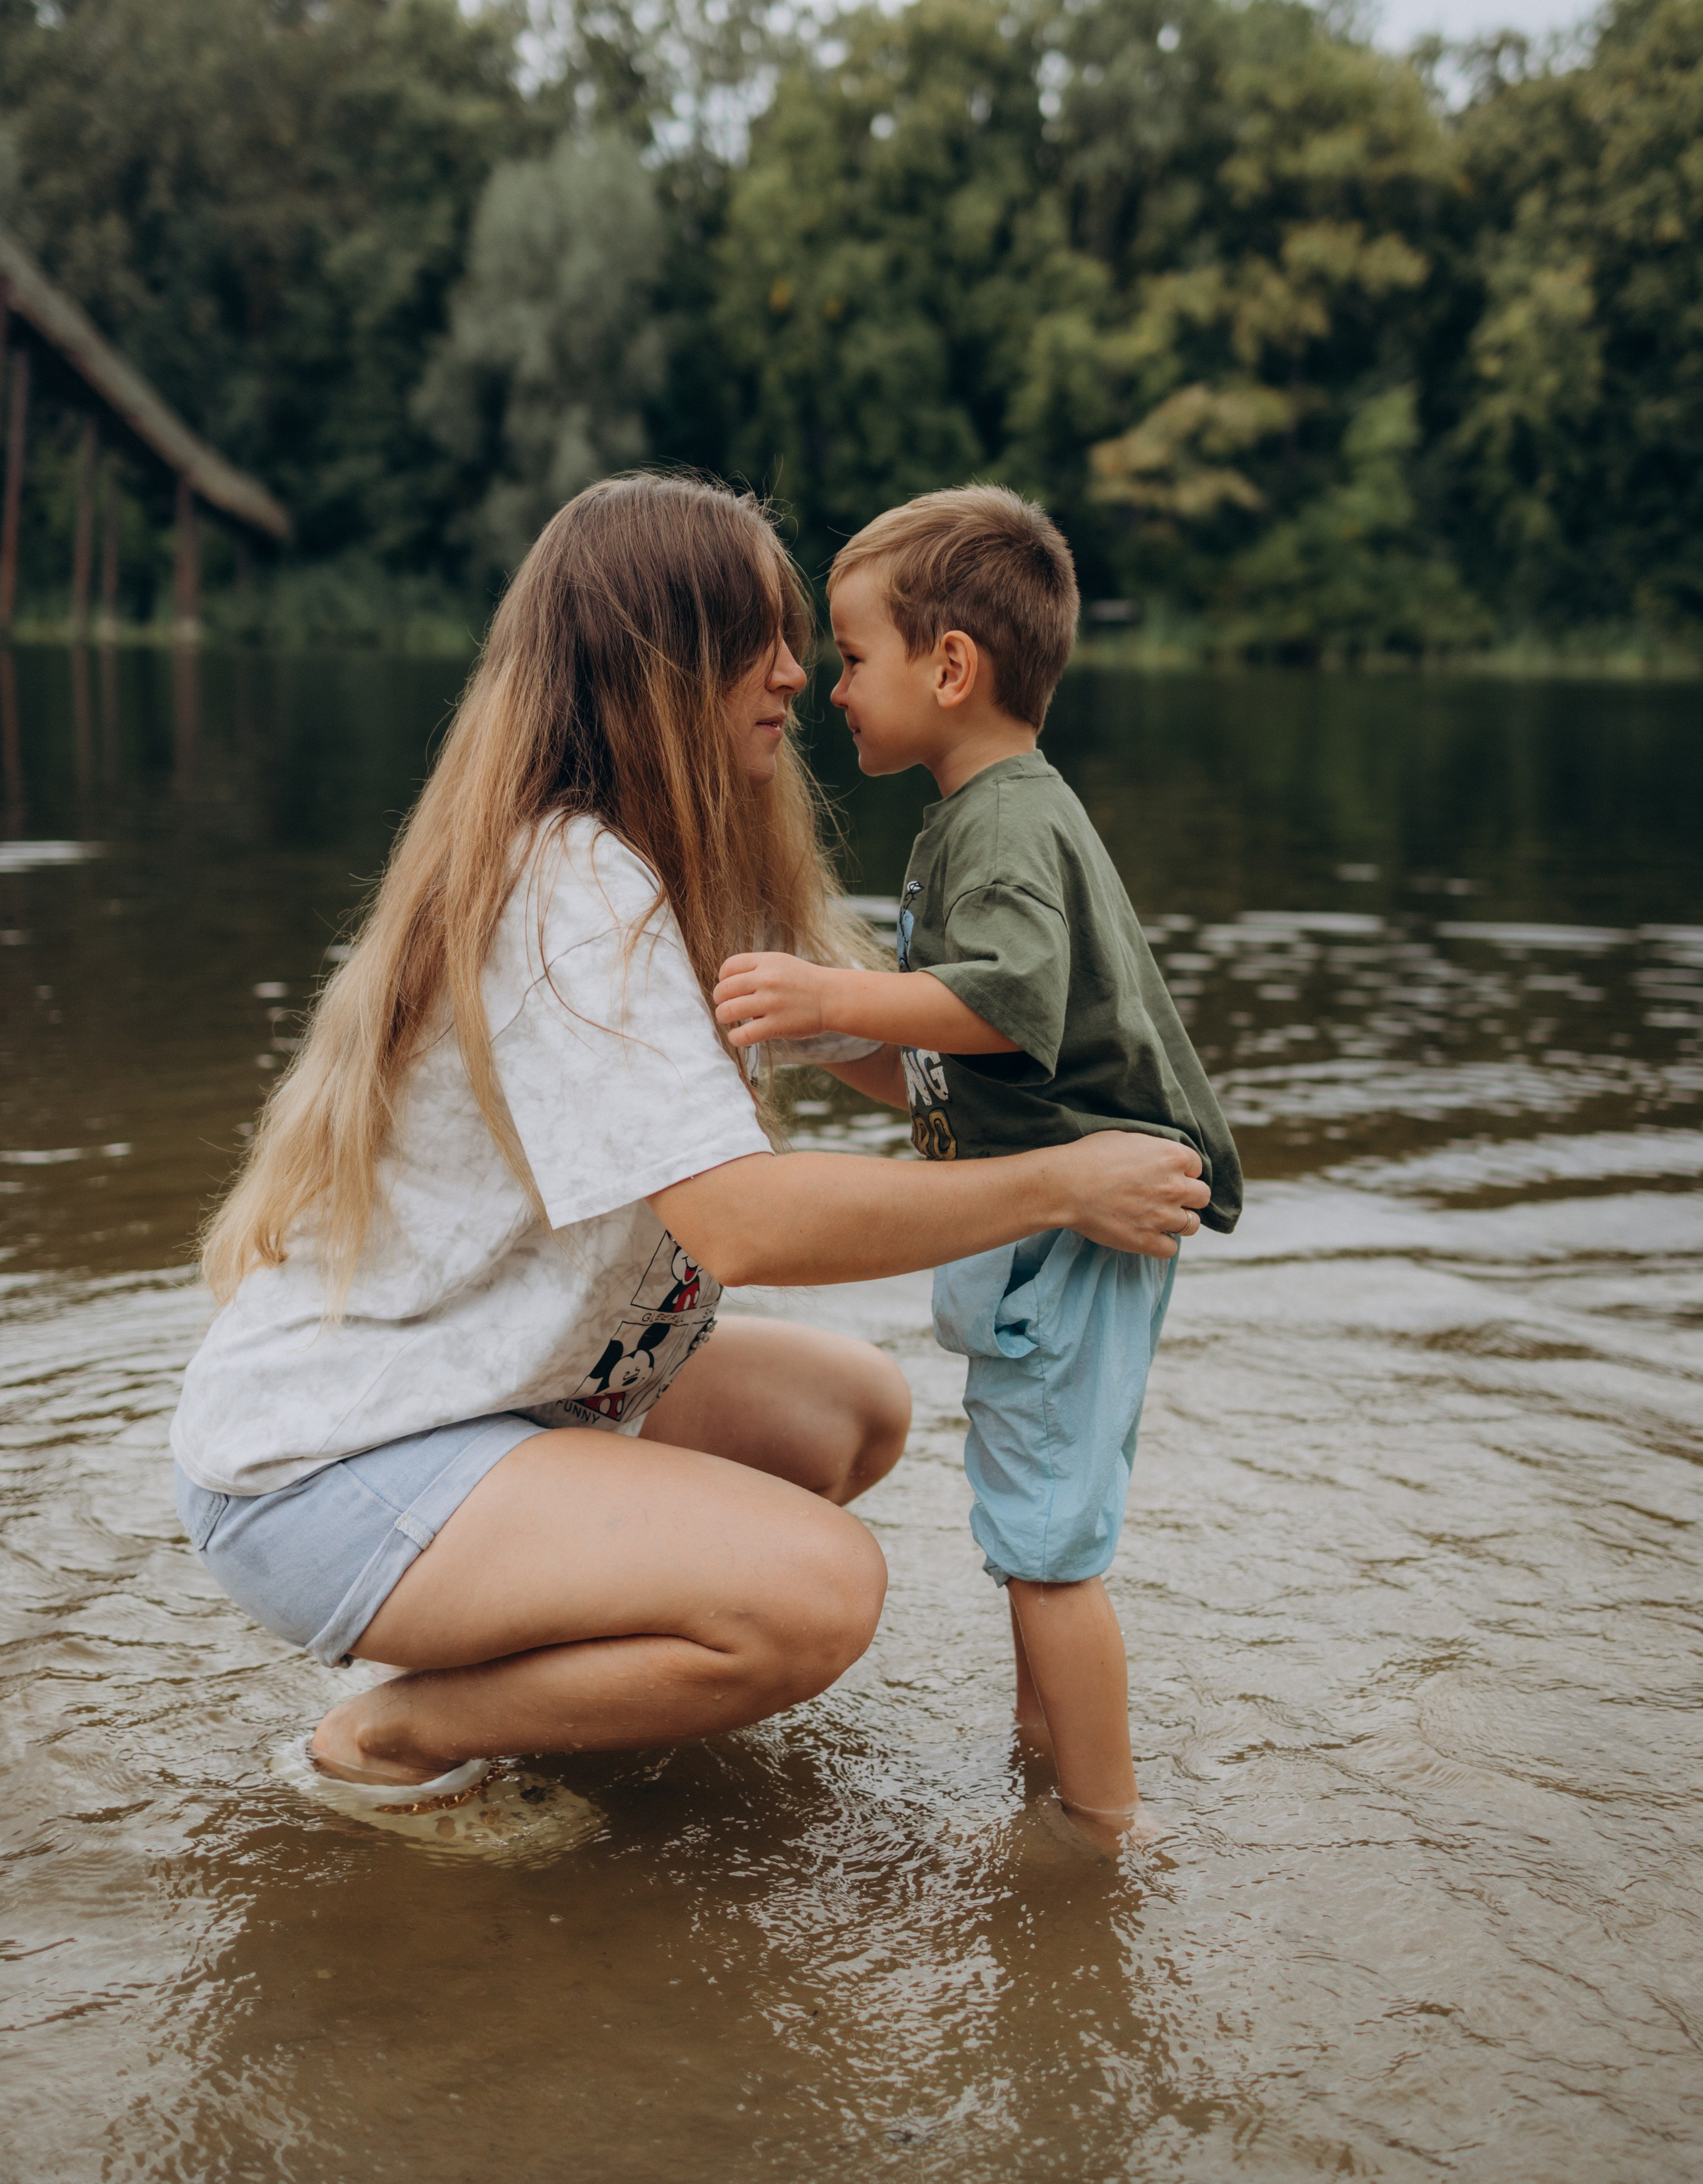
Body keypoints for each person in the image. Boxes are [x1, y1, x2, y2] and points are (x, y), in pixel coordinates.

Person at [172, 473, 1211, 1824]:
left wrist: (1088, 1065)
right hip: (334, 1465)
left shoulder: (669, 877)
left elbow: (917, 1074)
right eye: (760, 637)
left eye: (806, 640)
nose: (795, 674)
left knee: (850, 1415)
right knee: (818, 1594)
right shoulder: (569, 892)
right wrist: (1059, 1186)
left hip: (502, 1396)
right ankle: (397, 1733)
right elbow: (744, 1225)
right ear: (655, 667)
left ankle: (540, 1663)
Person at [714, 484, 1241, 1847]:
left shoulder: (1001, 820)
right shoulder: (985, 813)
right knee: (1035, 1533)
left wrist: (819, 988)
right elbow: (974, 1063)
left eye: (849, 655)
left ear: (949, 668)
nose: (829, 688)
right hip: (1057, 1220)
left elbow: (1006, 996)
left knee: (1050, 1555)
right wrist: (841, 1045)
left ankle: (1095, 1835)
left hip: (1075, 1233)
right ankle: (1040, 1760)